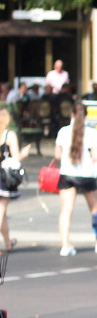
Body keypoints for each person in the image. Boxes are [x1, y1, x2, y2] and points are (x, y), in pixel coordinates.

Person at [54, 101, 97, 257]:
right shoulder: (92, 133)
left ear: (71, 114)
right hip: (86, 174)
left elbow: (57, 156)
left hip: (66, 174)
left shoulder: (63, 132)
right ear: (86, 115)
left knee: (66, 211)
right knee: (95, 209)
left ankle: (65, 245)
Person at [0, 106, 33, 255]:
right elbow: (16, 157)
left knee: (3, 214)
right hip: (4, 176)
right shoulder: (9, 134)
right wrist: (24, 153)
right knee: (1, 211)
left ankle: (8, 242)